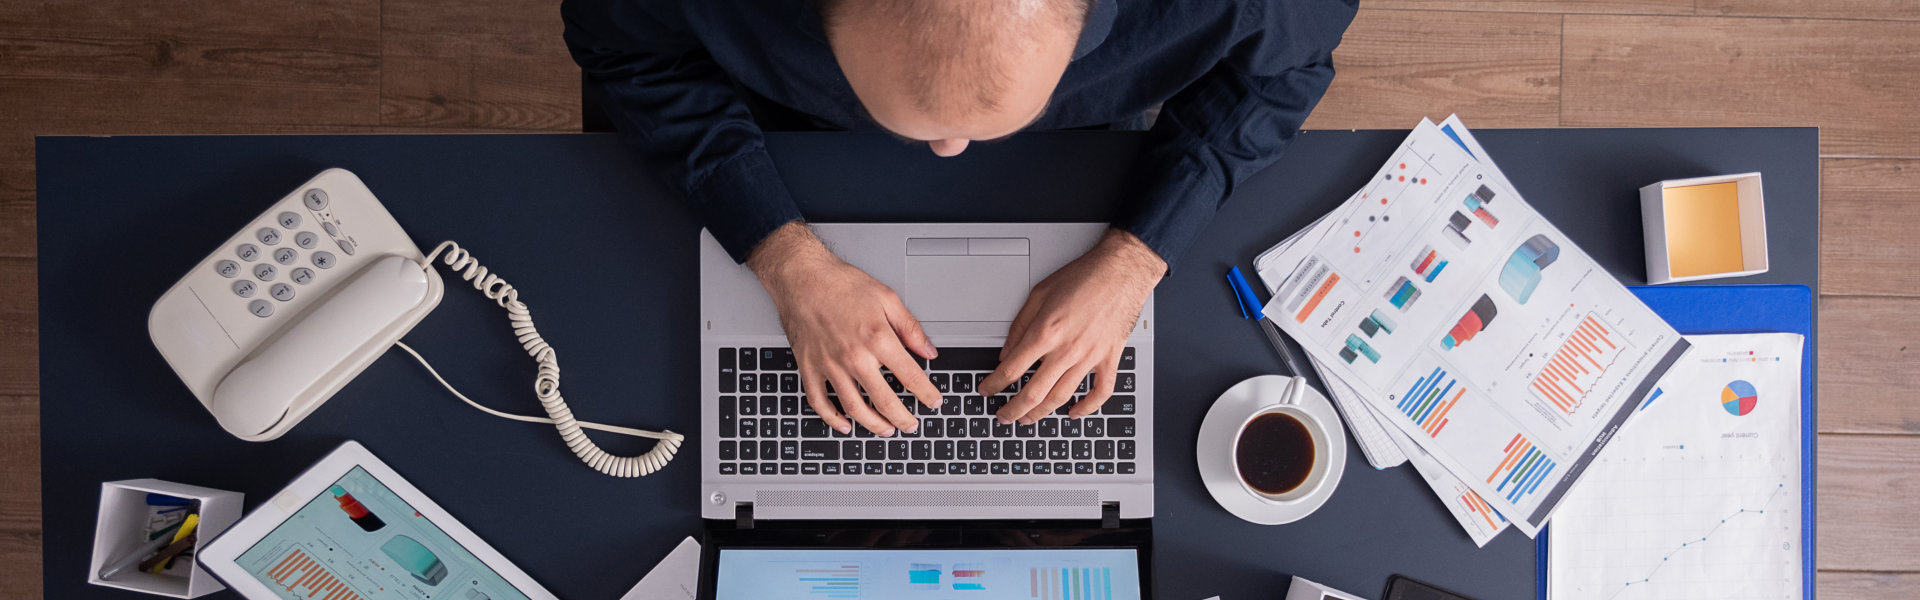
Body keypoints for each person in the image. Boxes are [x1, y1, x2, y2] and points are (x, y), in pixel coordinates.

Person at [563, 0, 1357, 437]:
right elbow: (628, 52)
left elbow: (1281, 74)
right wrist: (782, 254)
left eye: (983, 119)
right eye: (923, 120)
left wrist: (1138, 257)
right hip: (779, 121)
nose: (948, 151)